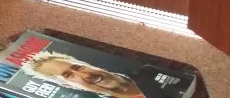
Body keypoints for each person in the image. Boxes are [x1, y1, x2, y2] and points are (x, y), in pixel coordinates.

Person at [21, 50, 169, 97]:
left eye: (78, 67)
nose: (86, 75)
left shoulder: (148, 71)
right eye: (69, 75)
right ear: (68, 85)